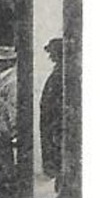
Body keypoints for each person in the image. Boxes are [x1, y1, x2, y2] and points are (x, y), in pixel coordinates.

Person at [40, 37, 64, 181]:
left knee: (56, 151)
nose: (50, 57)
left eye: (52, 53)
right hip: (50, 119)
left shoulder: (60, 74)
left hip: (54, 120)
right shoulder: (59, 71)